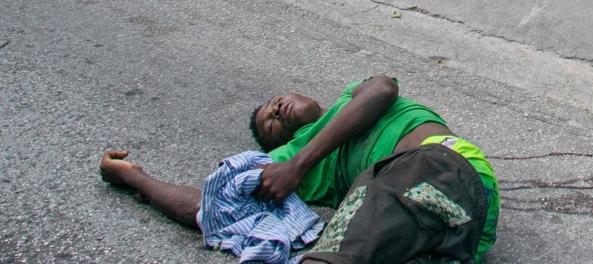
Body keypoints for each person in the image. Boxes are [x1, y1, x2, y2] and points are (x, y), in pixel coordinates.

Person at [98, 76, 500, 262]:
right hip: (461, 240)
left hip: (448, 171)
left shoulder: (353, 97)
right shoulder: (285, 164)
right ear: (279, 143)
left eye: (275, 100)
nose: (276, 110)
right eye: (270, 123)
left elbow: (383, 89)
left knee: (377, 192)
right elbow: (211, 206)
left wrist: (298, 164)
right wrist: (134, 177)